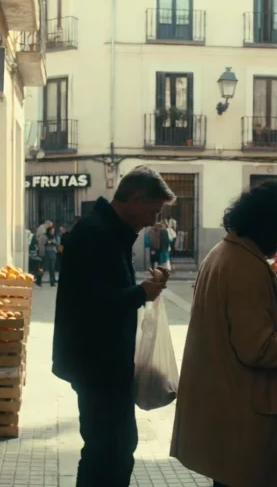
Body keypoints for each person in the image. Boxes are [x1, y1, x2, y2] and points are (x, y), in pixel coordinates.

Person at [170, 181, 277, 487]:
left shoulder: (223, 252)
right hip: (241, 412)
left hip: (225, 406)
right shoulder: (245, 267)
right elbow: (258, 348)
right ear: (269, 226)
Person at [53, 166, 177, 487]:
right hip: (96, 366)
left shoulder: (109, 232)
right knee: (107, 451)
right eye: (152, 211)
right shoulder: (97, 234)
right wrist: (141, 293)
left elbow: (102, 292)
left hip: (104, 366)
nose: (153, 221)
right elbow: (91, 306)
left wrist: (142, 290)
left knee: (115, 448)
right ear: (135, 198)